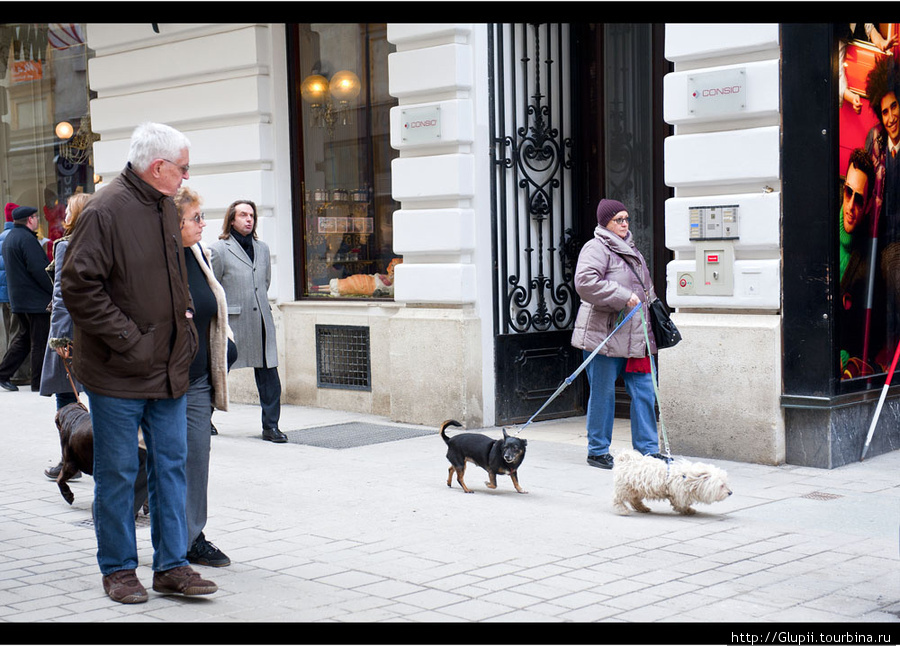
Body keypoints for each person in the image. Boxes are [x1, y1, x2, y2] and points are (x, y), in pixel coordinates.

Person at [61, 122, 217, 604]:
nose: (186, 174)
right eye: (183, 167)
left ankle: (172, 566)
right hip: (117, 371)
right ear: (158, 167)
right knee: (118, 472)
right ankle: (119, 570)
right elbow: (78, 286)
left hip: (168, 368)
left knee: (171, 467)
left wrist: (185, 329)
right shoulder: (105, 210)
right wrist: (132, 339)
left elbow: (173, 281)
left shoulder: (164, 209)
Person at [571, 198, 663, 469]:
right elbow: (585, 283)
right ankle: (597, 450)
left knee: (645, 391)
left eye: (626, 219)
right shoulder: (596, 247)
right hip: (605, 336)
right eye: (618, 220)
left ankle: (648, 450)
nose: (624, 224)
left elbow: (645, 290)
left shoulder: (630, 248)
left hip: (636, 336)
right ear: (605, 223)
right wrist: (623, 296)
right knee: (603, 393)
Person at [174, 186, 234, 568]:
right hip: (163, 380)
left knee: (197, 457)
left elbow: (211, 306)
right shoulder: (157, 259)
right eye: (196, 218)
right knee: (156, 458)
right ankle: (117, 519)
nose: (203, 223)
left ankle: (192, 538)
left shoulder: (199, 254)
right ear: (173, 223)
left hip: (197, 381)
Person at [210, 199, 286, 443]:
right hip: (233, 321)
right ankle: (203, 417)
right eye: (243, 215)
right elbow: (212, 285)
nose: (249, 219)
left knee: (269, 374)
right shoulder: (219, 249)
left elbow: (265, 282)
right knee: (220, 370)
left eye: (251, 215)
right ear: (232, 219)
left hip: (261, 319)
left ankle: (271, 426)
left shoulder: (262, 248)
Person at [40, 192, 90, 480]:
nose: (64, 216)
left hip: (70, 331)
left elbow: (61, 295)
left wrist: (59, 338)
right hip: (96, 331)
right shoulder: (103, 243)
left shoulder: (66, 246)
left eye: (69, 211)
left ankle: (69, 460)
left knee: (66, 399)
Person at [865, 55, 900, 353]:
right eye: (885, 111)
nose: (891, 117)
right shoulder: (875, 142)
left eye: (895, 107)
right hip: (886, 240)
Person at [839, 148, 883, 378]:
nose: (850, 207)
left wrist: (843, 358)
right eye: (848, 192)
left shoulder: (867, 259)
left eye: (859, 199)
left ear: (866, 207)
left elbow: (860, 334)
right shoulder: (822, 230)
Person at [0, 205, 53, 392]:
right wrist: (54, 289)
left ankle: (2, 374)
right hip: (35, 302)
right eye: (36, 217)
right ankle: (38, 382)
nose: (38, 220)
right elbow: (40, 270)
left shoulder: (11, 238)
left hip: (20, 301)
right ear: (30, 220)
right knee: (39, 342)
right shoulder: (27, 240)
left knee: (23, 340)